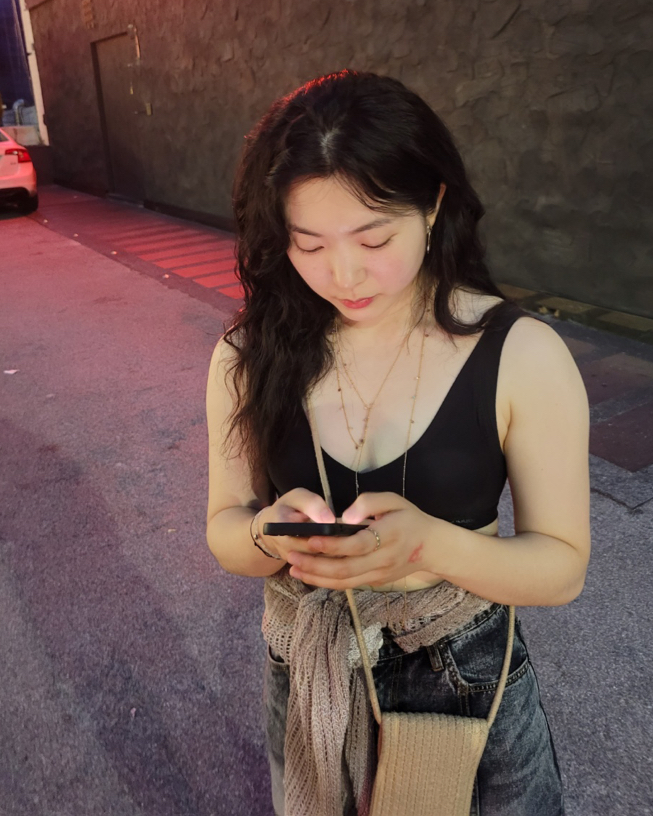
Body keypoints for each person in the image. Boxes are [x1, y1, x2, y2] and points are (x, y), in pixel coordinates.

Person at [206, 70, 590, 816]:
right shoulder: (246, 356)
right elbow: (226, 530)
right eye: (308, 244)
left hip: (462, 679)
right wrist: (268, 534)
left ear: (434, 205)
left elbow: (561, 567)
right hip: (308, 675)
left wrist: (425, 546)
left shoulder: (519, 353)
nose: (344, 273)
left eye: (374, 238)